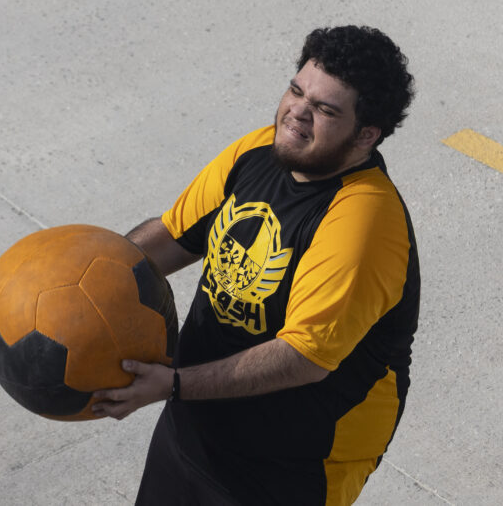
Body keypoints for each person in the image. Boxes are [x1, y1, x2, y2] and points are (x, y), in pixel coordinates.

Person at [92, 25, 420, 506]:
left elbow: (303, 358)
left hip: (288, 471)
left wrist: (175, 384)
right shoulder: (258, 152)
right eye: (296, 90)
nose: (297, 114)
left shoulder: (363, 219)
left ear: (366, 134)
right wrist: (91, 274)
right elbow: (175, 234)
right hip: (194, 428)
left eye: (325, 110)